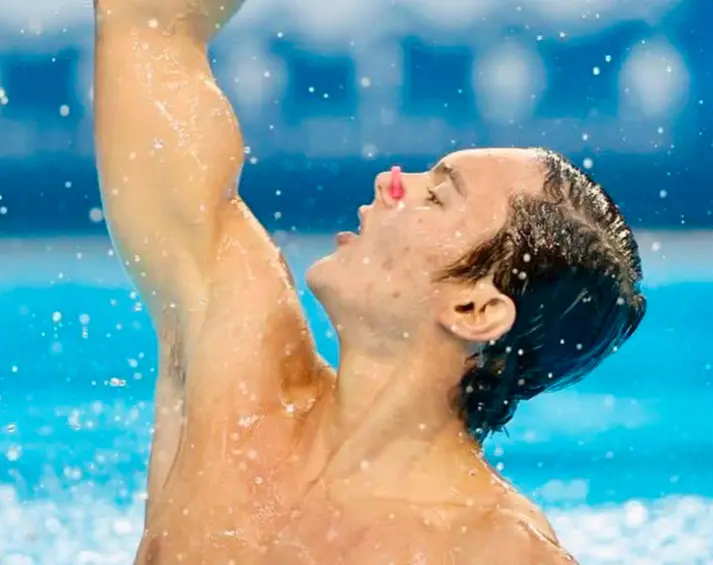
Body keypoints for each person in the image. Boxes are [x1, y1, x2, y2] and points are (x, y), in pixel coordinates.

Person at [93, 1, 646, 563]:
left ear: (475, 309)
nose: (391, 180)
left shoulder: (492, 550)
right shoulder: (236, 371)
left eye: (436, 196)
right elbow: (148, 23)